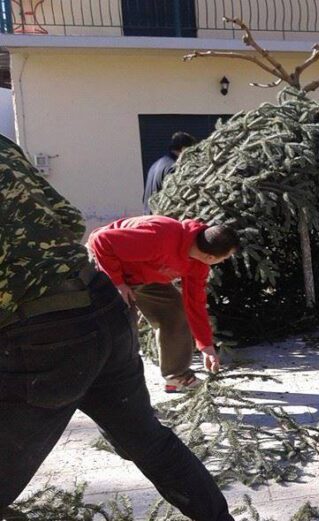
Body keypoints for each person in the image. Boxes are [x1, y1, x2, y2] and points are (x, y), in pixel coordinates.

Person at [0, 135, 234, 520]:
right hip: (102, 302)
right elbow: (74, 221)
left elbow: (195, 299)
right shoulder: (163, 233)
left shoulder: (194, 258)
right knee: (147, 440)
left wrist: (205, 344)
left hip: (47, 333)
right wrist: (120, 282)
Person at [87, 216, 238, 392]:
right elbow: (102, 241)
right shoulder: (161, 238)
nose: (226, 260)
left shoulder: (198, 264)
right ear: (210, 256)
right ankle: (102, 384)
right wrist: (117, 283)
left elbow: (195, 304)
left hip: (144, 275)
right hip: (105, 263)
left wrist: (207, 346)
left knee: (174, 312)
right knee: (122, 328)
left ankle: (177, 377)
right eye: (226, 256)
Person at [142, 131, 196, 214]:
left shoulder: (155, 164)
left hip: (147, 216)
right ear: (184, 149)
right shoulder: (174, 168)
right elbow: (175, 197)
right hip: (162, 219)